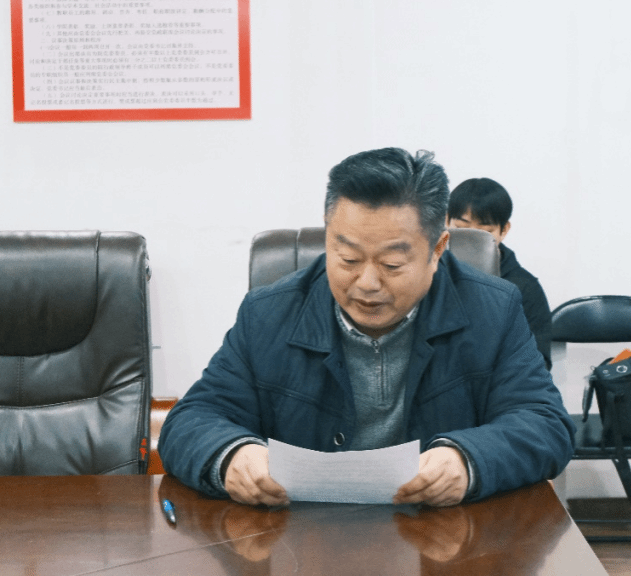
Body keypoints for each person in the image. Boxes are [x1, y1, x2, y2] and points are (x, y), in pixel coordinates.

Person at [159, 148, 574, 508]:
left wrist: (467, 459)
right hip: (302, 539)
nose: (367, 283)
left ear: (437, 250)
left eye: (392, 264)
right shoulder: (268, 313)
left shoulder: (493, 310)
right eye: (348, 259)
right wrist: (233, 455)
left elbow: (544, 422)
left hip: (439, 536)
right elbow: (192, 418)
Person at [447, 178, 553, 370]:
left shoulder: (524, 287)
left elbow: (539, 364)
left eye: (485, 232)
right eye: (462, 229)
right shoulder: (427, 276)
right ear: (446, 222)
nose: (472, 240)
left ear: (504, 230)